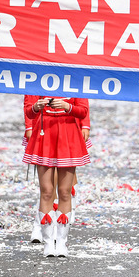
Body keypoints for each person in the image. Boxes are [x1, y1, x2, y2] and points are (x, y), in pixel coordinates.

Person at [23, 96, 89, 258]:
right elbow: (29, 112)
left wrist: (68, 106)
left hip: (68, 133)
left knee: (65, 191)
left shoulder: (73, 79)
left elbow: (83, 111)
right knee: (46, 190)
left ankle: (61, 242)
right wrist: (36, 107)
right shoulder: (39, 78)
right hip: (44, 134)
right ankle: (47, 243)